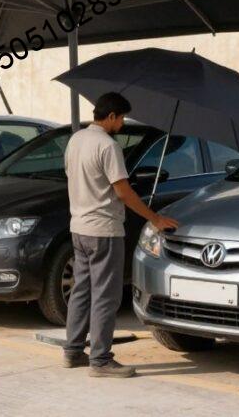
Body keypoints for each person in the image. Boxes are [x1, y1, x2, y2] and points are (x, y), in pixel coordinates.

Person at [63, 92, 180, 378]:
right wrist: (155, 218)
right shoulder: (108, 145)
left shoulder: (76, 139)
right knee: (106, 296)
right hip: (104, 230)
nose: (123, 124)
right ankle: (100, 360)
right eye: (122, 118)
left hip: (79, 228)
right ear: (112, 116)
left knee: (81, 291)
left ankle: (73, 351)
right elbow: (123, 191)